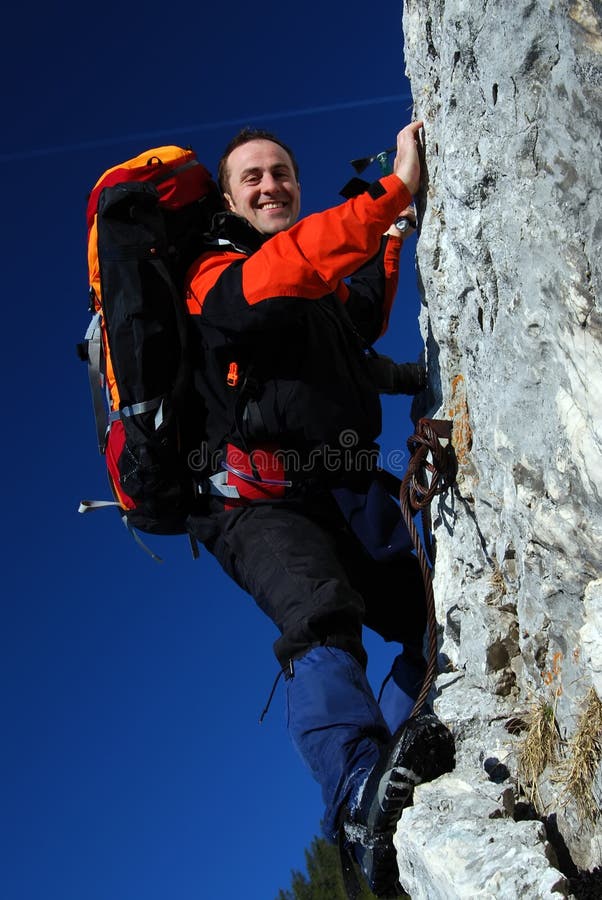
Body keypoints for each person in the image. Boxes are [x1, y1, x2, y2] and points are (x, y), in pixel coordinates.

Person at [185, 121, 455, 897]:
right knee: (321, 614)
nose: (271, 187)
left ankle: (409, 744)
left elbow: (355, 328)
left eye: (282, 174)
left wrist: (395, 233)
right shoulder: (216, 273)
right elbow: (301, 263)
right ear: (230, 200)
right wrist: (392, 189)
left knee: (433, 610)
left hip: (334, 479)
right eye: (253, 179)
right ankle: (359, 800)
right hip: (254, 503)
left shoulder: (307, 290)